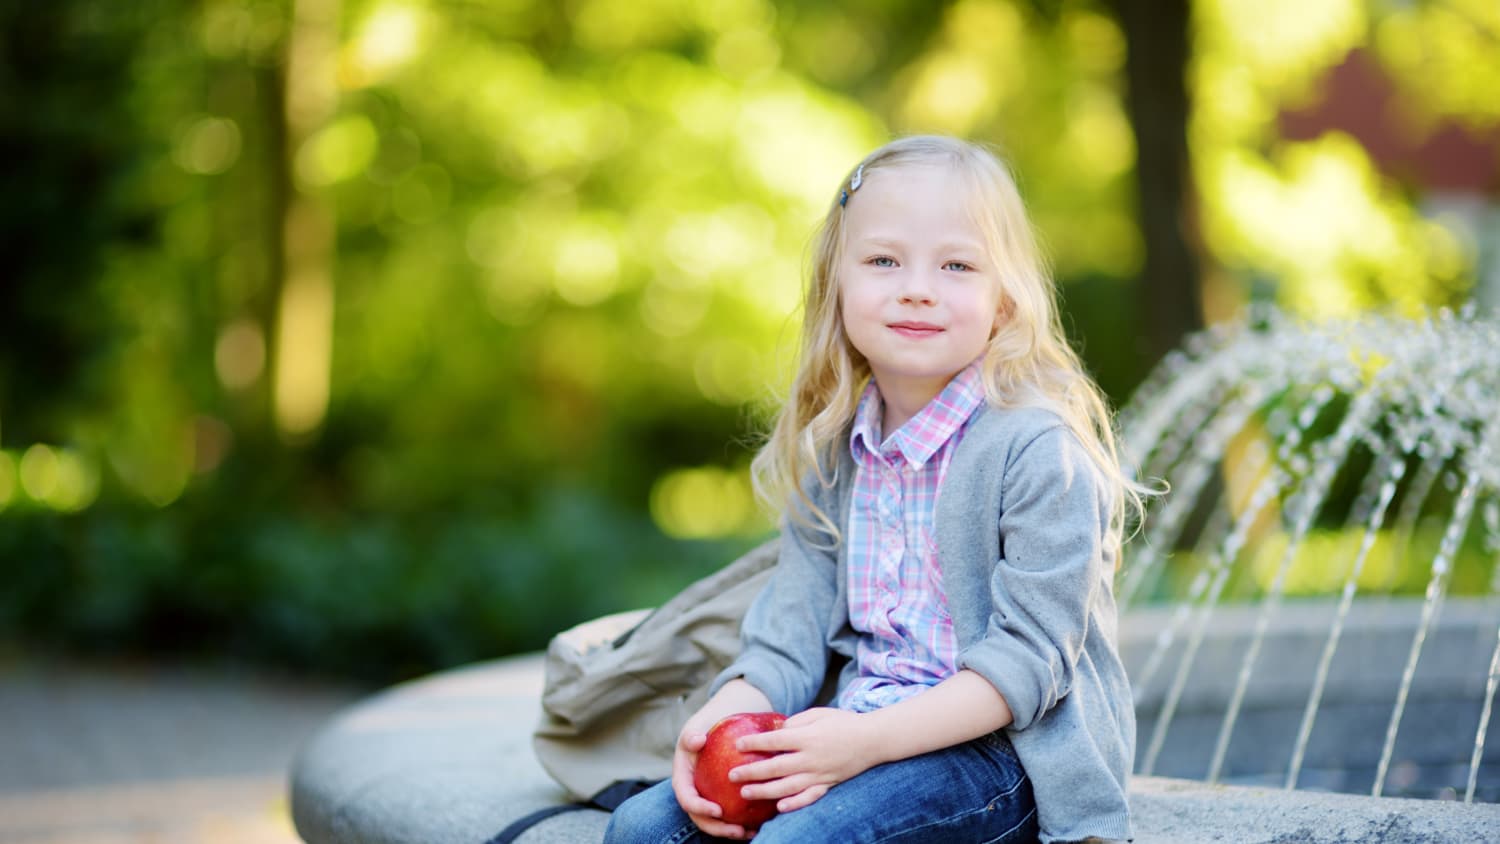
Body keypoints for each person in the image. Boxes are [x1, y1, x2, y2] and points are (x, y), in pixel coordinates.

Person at [604, 135, 1153, 844]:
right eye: (884, 260)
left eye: (957, 264)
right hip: (855, 731)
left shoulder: (1036, 449)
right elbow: (788, 636)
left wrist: (864, 744)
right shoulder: (836, 449)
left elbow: (1027, 663)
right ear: (837, 285)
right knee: (640, 832)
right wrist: (724, 717)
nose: (917, 286)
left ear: (1005, 302)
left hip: (1005, 755)